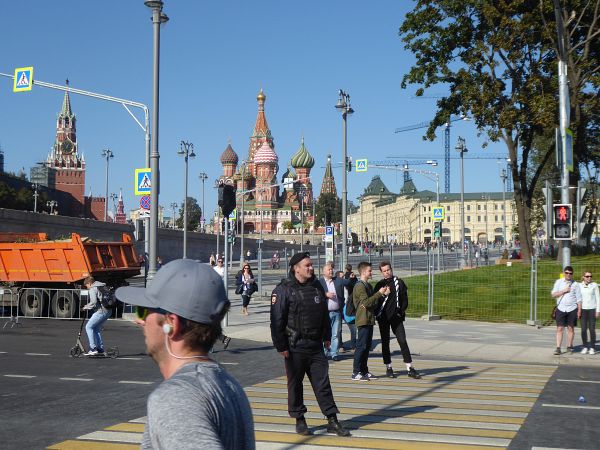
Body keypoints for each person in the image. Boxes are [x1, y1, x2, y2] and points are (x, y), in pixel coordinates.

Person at [115, 260, 254, 450]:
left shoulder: (177, 397)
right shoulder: (230, 385)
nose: (139, 321)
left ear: (171, 323)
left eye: (143, 311)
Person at [270, 252, 350, 437]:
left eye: (312, 265)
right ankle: (300, 419)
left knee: (323, 383)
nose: (311, 268)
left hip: (315, 345)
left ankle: (332, 420)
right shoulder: (283, 290)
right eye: (307, 265)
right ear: (295, 268)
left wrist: (327, 336)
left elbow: (323, 313)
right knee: (295, 384)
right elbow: (276, 321)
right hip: (294, 347)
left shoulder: (316, 287)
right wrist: (281, 346)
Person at [373, 261, 421, 379]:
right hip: (383, 318)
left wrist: (401, 311)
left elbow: (405, 299)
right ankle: (388, 367)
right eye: (384, 271)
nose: (387, 272)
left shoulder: (399, 282)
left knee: (402, 340)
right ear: (381, 272)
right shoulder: (379, 284)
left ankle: (409, 367)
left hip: (396, 318)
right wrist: (383, 294)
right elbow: (376, 301)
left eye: (388, 270)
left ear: (391, 269)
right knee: (385, 342)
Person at [352, 262, 389, 381]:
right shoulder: (359, 286)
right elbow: (366, 303)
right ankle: (356, 372)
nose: (371, 272)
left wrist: (381, 296)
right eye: (369, 271)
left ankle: (364, 370)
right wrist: (379, 294)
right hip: (363, 319)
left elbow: (372, 303)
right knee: (361, 346)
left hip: (369, 318)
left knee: (367, 347)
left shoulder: (367, 285)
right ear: (363, 272)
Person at [551, 266, 582, 355]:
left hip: (572, 309)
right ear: (564, 273)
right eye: (567, 273)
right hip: (561, 308)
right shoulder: (558, 282)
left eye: (570, 273)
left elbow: (579, 299)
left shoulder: (576, 284)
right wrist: (563, 291)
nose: (568, 274)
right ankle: (558, 348)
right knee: (560, 328)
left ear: (572, 274)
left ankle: (569, 346)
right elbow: (553, 294)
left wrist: (579, 310)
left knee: (570, 328)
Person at [318, 262, 347, 361]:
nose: (331, 271)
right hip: (325, 313)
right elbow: (316, 294)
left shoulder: (336, 280)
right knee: (324, 333)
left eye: (331, 269)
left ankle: (334, 353)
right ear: (323, 272)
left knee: (335, 334)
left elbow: (347, 283)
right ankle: (325, 352)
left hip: (336, 312)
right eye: (329, 270)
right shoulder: (320, 282)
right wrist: (325, 294)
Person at [82, 276, 112, 356]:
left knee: (88, 327)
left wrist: (86, 307)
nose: (87, 288)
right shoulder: (102, 286)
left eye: (87, 286)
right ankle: (100, 349)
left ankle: (93, 348)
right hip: (108, 311)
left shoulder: (93, 288)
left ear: (90, 283)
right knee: (96, 328)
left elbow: (94, 302)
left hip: (101, 311)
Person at [212, 258, 231, 349]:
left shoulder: (224, 269)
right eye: (219, 261)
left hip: (220, 293)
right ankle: (223, 338)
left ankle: (223, 339)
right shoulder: (214, 269)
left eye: (221, 262)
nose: (220, 263)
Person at [579, 271, 599, 354]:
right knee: (583, 329)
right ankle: (585, 346)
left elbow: (598, 298)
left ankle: (592, 347)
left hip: (592, 309)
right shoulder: (579, 286)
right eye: (587, 276)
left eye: (590, 276)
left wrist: (598, 310)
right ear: (583, 277)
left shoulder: (594, 285)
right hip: (583, 310)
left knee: (591, 329)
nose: (589, 278)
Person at [338, 270, 356, 352]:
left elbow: (355, 283)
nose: (343, 279)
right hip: (339, 309)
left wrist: (353, 278)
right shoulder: (336, 286)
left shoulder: (349, 285)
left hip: (348, 309)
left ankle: (353, 346)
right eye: (341, 277)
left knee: (353, 328)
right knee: (339, 329)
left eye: (344, 277)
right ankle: (340, 346)